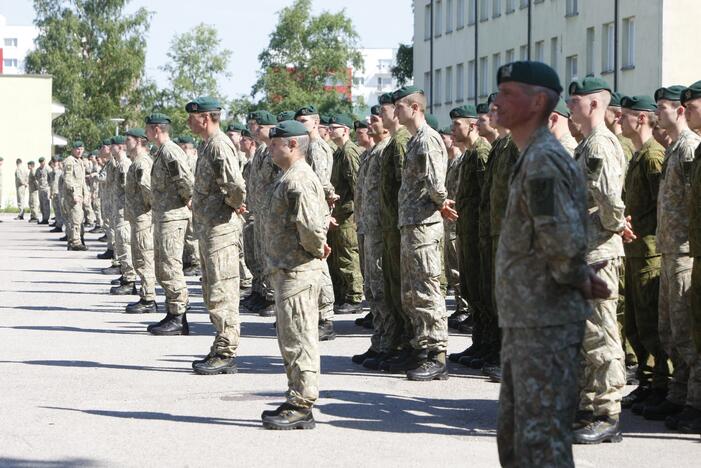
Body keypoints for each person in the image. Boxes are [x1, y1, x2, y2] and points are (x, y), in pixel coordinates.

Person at [493, 60, 609, 467]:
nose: (497, 101)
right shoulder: (531, 156)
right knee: (516, 439)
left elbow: (559, 236)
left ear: (538, 101)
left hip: (545, 320)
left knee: (540, 444)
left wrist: (577, 276)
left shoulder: (544, 161)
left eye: (509, 93)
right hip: (527, 318)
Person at [568, 76, 629, 443]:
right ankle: (589, 406)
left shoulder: (600, 145)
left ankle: (607, 413)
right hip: (586, 251)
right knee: (586, 335)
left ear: (594, 105)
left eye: (575, 101)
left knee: (601, 334)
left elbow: (609, 201)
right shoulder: (586, 144)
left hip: (599, 253)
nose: (570, 106)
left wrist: (611, 228)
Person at [261, 119, 330, 430]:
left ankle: (302, 403)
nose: (270, 148)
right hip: (287, 268)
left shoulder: (299, 179)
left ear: (292, 145)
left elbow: (312, 227)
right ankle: (297, 398)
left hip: (298, 269)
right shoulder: (288, 176)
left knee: (299, 339)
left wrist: (317, 248)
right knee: (291, 337)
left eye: (276, 144)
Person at [391, 86, 453, 380]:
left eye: (399, 107)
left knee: (427, 289)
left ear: (414, 107)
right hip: (412, 224)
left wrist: (442, 202)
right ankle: (422, 347)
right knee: (413, 292)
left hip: (424, 226)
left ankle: (436, 353)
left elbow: (436, 183)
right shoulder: (415, 140)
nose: (395, 113)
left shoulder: (428, 140)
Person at [185, 96, 247, 375]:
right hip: (210, 228)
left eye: (193, 116)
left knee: (222, 291)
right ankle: (220, 345)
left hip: (221, 229)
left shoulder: (219, 145)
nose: (189, 121)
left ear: (206, 118)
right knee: (213, 291)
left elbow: (234, 184)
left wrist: (234, 204)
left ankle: (226, 351)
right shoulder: (207, 144)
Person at [618, 95, 669, 419]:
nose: (619, 121)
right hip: (636, 250)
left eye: (625, 117)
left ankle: (662, 383)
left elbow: (662, 207)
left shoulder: (652, 156)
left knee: (652, 322)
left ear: (640, 120)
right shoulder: (639, 154)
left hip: (650, 251)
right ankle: (649, 382)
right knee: (637, 323)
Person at [666, 81, 701, 432]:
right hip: (683, 246)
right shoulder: (691, 147)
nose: (684, 110)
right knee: (681, 329)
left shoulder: (690, 147)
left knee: (690, 333)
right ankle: (682, 395)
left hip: (686, 249)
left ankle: (693, 400)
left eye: (691, 104)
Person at [144, 113, 194, 335]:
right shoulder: (163, 151)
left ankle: (178, 316)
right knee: (163, 264)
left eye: (147, 129)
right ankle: (172, 311)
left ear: (156, 130)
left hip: (173, 216)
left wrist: (186, 200)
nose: (146, 134)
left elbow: (184, 180)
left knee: (170, 265)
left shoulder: (170, 151)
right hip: (165, 215)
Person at [450, 104, 491, 368]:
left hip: (479, 231)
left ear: (472, 126)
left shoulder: (482, 152)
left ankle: (488, 345)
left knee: (483, 291)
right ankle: (480, 342)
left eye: (457, 125)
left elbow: (486, 195)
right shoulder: (470, 154)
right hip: (468, 229)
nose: (453, 130)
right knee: (473, 289)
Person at [351, 105, 392, 365]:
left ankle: (388, 341)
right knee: (372, 287)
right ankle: (379, 340)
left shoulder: (388, 150)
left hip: (380, 228)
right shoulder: (370, 153)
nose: (369, 125)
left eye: (375, 120)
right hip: (368, 226)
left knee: (381, 287)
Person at [295, 105, 338, 340]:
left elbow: (321, 183)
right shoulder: (306, 146)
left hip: (316, 212)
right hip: (308, 211)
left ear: (315, 122)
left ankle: (326, 317)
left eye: (304, 120)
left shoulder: (317, 147)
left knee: (319, 263)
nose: (301, 124)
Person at [327, 114, 364, 314]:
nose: (331, 130)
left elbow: (357, 185)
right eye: (330, 127)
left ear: (345, 130)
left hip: (348, 213)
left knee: (349, 253)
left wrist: (357, 212)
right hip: (339, 212)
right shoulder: (339, 152)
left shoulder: (349, 152)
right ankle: (342, 295)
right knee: (339, 255)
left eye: (335, 127)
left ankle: (354, 296)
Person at [123, 128, 157, 314]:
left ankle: (149, 298)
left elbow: (148, 189)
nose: (125, 143)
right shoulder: (136, 162)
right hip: (138, 216)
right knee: (139, 257)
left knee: (144, 257)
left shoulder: (142, 162)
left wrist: (149, 211)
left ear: (138, 141)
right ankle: (146, 295)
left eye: (128, 140)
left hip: (144, 217)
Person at [108, 136, 137, 296]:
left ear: (118, 147)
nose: (110, 149)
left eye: (112, 146)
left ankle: (130, 279)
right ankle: (125, 274)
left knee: (125, 244)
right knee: (120, 243)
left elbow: (129, 191)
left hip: (124, 211)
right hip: (118, 210)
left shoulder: (125, 165)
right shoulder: (118, 164)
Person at [61, 141, 88, 251]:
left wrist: (86, 194)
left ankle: (78, 239)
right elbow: (68, 179)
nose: (79, 151)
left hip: (80, 194)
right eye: (77, 149)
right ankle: (74, 242)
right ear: (73, 149)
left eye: (81, 149)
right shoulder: (69, 161)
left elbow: (82, 181)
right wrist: (73, 194)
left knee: (80, 217)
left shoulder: (80, 161)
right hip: (73, 195)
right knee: (75, 218)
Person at [35, 157, 51, 224]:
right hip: (40, 189)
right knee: (41, 204)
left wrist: (49, 187)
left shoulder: (47, 169)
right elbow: (36, 177)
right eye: (40, 162)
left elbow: (51, 178)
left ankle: (46, 219)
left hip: (46, 188)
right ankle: (43, 217)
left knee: (46, 204)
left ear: (45, 161)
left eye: (43, 162)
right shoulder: (38, 170)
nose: (42, 163)